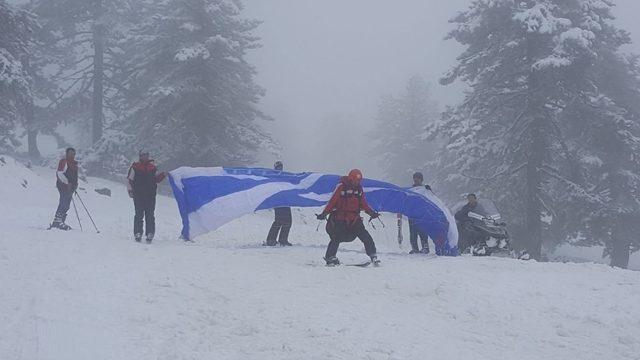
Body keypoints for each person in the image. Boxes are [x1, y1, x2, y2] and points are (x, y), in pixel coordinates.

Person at [316, 169, 381, 266]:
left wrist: (371, 213)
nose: (357, 182)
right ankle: (330, 257)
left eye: (358, 181)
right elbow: (332, 202)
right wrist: (324, 214)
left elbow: (363, 203)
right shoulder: (341, 187)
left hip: (355, 219)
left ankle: (373, 256)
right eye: (355, 180)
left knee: (365, 236)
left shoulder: (359, 189)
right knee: (336, 238)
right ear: (350, 179)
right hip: (340, 218)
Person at [127, 150, 166, 243]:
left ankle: (150, 233)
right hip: (138, 195)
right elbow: (129, 180)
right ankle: (137, 233)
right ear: (140, 156)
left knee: (150, 215)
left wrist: (163, 175)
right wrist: (130, 190)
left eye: (146, 155)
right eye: (143, 155)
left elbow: (157, 179)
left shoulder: (152, 167)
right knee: (139, 214)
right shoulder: (135, 167)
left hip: (150, 195)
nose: (145, 157)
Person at [264, 161, 293, 246]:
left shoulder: (285, 177)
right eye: (278, 167)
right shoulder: (273, 177)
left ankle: (283, 240)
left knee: (288, 221)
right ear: (275, 168)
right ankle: (270, 240)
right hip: (278, 202)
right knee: (278, 221)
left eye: (281, 167)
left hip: (286, 202)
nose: (280, 168)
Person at [50, 147, 79, 230]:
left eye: (73, 154)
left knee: (66, 204)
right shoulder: (64, 162)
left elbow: (74, 176)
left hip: (70, 187)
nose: (72, 155)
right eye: (70, 153)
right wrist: (67, 183)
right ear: (67, 154)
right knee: (64, 203)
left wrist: (75, 184)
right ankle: (57, 222)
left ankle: (60, 221)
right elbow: (59, 173)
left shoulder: (74, 164)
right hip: (63, 186)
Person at [406, 172, 431, 254]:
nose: (416, 179)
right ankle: (415, 248)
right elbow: (405, 200)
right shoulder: (410, 190)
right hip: (412, 214)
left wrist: (429, 190)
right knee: (413, 233)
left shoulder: (425, 189)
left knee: (423, 231)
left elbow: (431, 198)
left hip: (422, 214)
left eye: (418, 178)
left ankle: (425, 247)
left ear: (421, 179)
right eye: (415, 178)